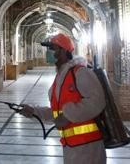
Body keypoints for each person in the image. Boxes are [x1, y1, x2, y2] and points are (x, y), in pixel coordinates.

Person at [19, 33, 106, 164]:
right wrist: (34, 112)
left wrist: (68, 115)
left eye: (53, 48)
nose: (49, 52)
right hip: (70, 146)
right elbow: (57, 112)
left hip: (88, 146)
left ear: (64, 51)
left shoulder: (81, 73)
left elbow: (97, 101)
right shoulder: (60, 78)